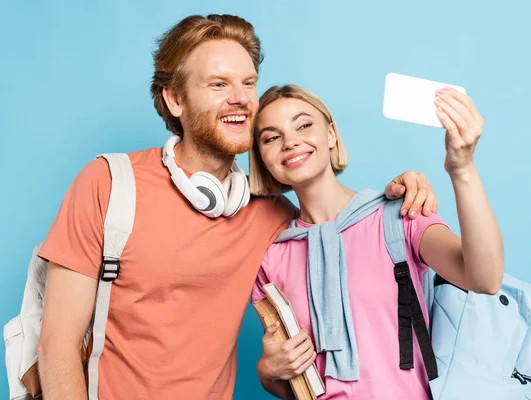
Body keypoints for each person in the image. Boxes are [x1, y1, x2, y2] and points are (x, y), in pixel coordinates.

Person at [36, 15, 438, 400]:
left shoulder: (273, 217)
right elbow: (58, 344)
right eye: (218, 84)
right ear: (175, 99)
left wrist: (407, 189)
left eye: (249, 82)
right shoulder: (109, 184)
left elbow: (345, 225)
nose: (242, 98)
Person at [249, 84, 504, 399]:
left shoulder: (398, 215)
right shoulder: (272, 259)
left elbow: (485, 278)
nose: (290, 141)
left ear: (330, 134)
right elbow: (292, 384)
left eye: (303, 125)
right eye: (272, 137)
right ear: (262, 156)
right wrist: (268, 373)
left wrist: (462, 168)